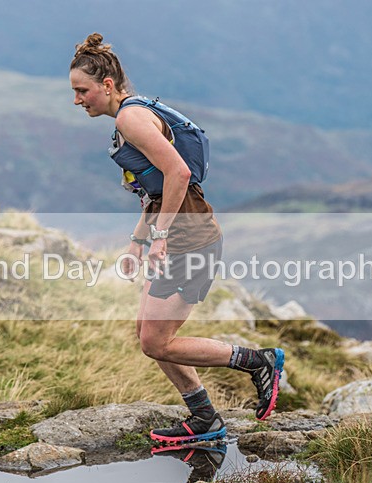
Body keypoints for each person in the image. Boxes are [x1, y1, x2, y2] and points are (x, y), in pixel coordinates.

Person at [69, 32, 285, 443]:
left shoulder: (130, 118)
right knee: (148, 334)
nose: (78, 100)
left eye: (83, 91)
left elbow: (179, 174)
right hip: (182, 234)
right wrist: (139, 240)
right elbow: (156, 188)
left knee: (156, 341)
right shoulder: (132, 114)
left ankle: (259, 362)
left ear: (108, 86)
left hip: (192, 238)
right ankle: (204, 417)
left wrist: (162, 236)